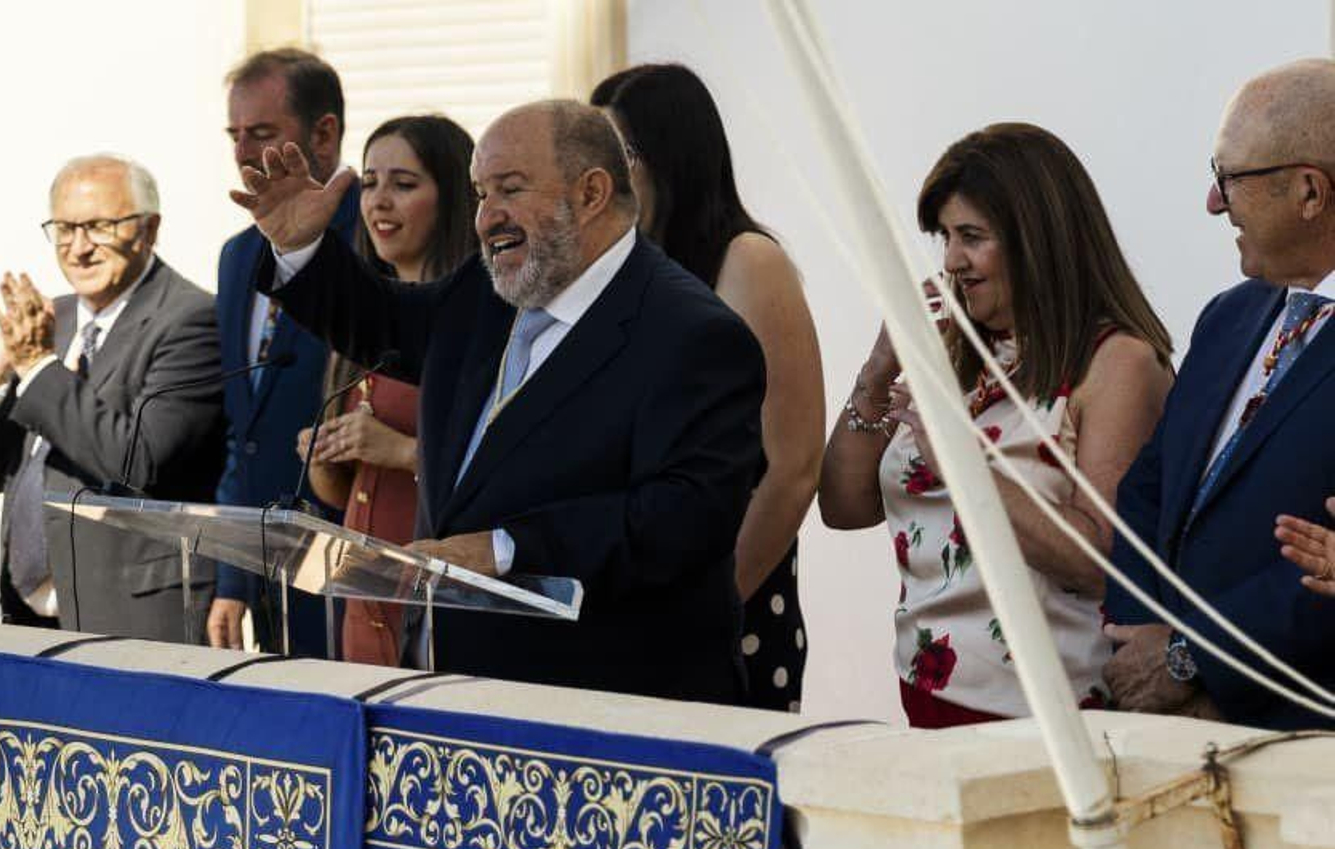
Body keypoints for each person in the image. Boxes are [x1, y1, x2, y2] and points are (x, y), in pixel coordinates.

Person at [230, 100, 767, 703]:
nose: (486, 219)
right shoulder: (488, 293)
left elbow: (687, 516)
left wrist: (504, 548)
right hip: (454, 688)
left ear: (591, 193)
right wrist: (303, 247)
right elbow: (383, 324)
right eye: (481, 194)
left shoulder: (692, 333)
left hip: (612, 706)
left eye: (509, 190)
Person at [818, 123, 1173, 728]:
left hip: (1050, 717)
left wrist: (965, 461)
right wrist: (876, 375)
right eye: (945, 238)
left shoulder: (1116, 363)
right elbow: (844, 506)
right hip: (929, 693)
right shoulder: (959, 350)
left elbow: (1104, 563)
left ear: (1037, 240)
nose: (952, 261)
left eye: (972, 237)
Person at [1104, 59, 1335, 730]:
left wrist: (1191, 661)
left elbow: (1322, 570)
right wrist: (1142, 636)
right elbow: (1149, 490)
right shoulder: (1228, 317)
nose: (1213, 202)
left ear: (1310, 192)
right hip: (1170, 728)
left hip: (1297, 740)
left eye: (1228, 178)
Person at [591, 63, 824, 711]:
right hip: (630, 608)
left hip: (727, 608)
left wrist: (714, 602)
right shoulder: (624, 273)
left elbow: (795, 465)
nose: (599, 174)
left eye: (617, 153)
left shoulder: (749, 261)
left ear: (672, 152)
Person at [0, 153, 225, 641]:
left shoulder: (190, 320)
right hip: (29, 619)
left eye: (98, 227)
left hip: (131, 616)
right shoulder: (55, 319)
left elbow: (139, 460)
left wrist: (37, 368)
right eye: (64, 229)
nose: (79, 248)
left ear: (149, 229)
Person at [296, 115, 478, 666]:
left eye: (403, 185)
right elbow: (348, 494)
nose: (379, 202)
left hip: (439, 614)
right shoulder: (362, 322)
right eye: (370, 183)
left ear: (453, 198)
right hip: (362, 606)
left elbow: (500, 476)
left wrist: (398, 451)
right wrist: (326, 458)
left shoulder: (477, 319)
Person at [209, 48, 363, 657]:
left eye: (263, 134)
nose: (245, 152)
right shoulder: (237, 256)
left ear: (323, 134)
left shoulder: (372, 239)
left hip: (353, 572)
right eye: (235, 135)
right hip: (267, 574)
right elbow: (240, 433)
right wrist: (232, 574)